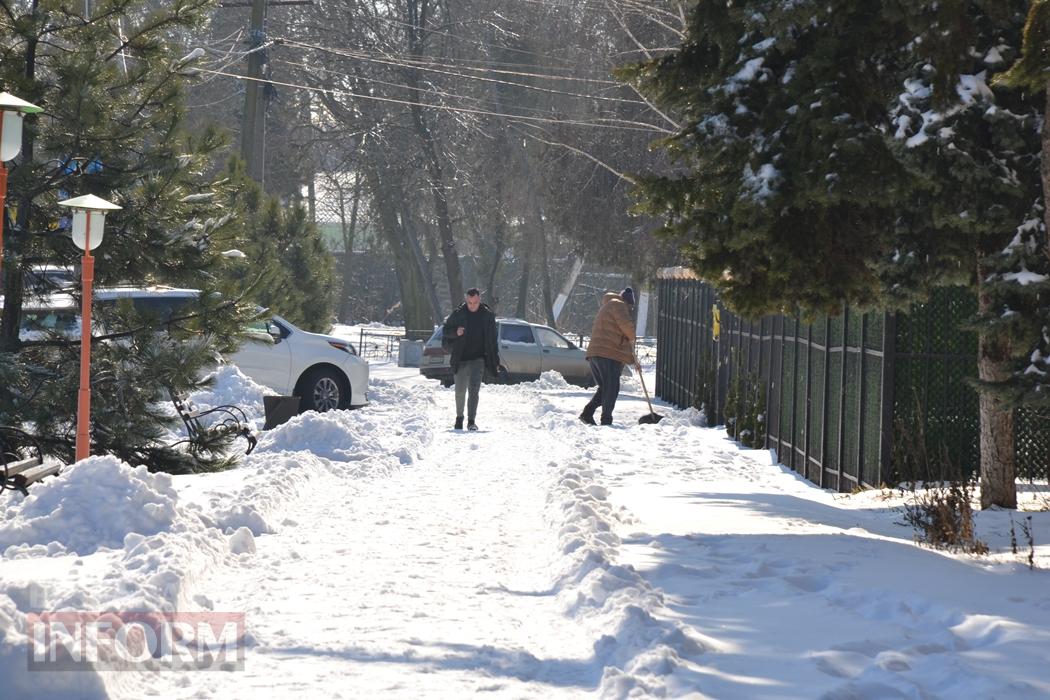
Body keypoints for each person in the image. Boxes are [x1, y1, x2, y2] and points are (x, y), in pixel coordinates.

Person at [442, 288, 501, 431]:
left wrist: (495, 360)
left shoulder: (487, 316)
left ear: (479, 299)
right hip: (460, 358)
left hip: (478, 359)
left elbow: (493, 340)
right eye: (469, 302)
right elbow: (445, 331)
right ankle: (459, 418)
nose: (472, 305)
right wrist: (455, 332)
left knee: (474, 390)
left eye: (475, 302)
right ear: (466, 300)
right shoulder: (458, 314)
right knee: (460, 391)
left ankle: (471, 421)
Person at [580, 287, 638, 426]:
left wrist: (632, 360)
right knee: (611, 389)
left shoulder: (608, 306)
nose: (630, 310)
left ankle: (587, 413)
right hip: (607, 355)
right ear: (628, 302)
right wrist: (632, 337)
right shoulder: (618, 305)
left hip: (596, 353)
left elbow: (617, 334)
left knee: (606, 388)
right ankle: (606, 420)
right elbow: (627, 327)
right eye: (630, 306)